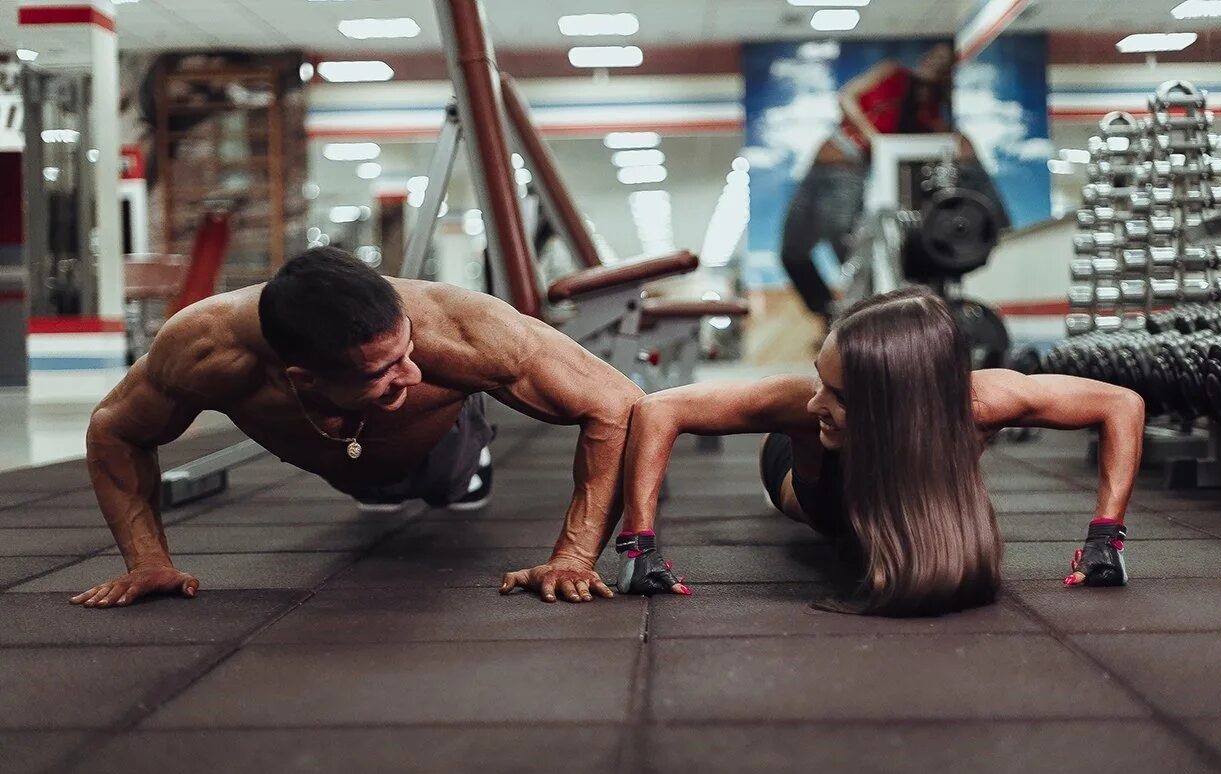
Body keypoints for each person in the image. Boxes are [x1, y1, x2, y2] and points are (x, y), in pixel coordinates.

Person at [71, 247, 641, 608]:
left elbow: (619, 405)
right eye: (383, 368)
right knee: (376, 493)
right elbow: (113, 431)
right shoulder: (202, 351)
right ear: (303, 378)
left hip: (440, 443)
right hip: (338, 458)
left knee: (446, 486)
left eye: (407, 348)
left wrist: (574, 556)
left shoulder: (466, 328)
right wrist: (148, 561)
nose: (412, 372)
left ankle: (473, 452)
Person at [614, 288, 1144, 617]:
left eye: (838, 394)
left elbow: (1121, 404)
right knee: (800, 416)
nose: (818, 398)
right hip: (802, 479)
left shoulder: (977, 402)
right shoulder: (802, 405)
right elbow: (659, 410)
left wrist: (1106, 537)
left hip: (895, 469)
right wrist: (638, 546)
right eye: (821, 379)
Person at [780, 44, 955, 325]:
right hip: (816, 169)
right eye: (934, 56)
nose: (936, 64)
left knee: (845, 245)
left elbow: (940, 146)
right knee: (792, 252)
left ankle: (860, 317)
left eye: (945, 63)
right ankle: (829, 313)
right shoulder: (892, 73)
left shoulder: (929, 115)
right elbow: (847, 97)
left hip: (848, 175)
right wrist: (872, 134)